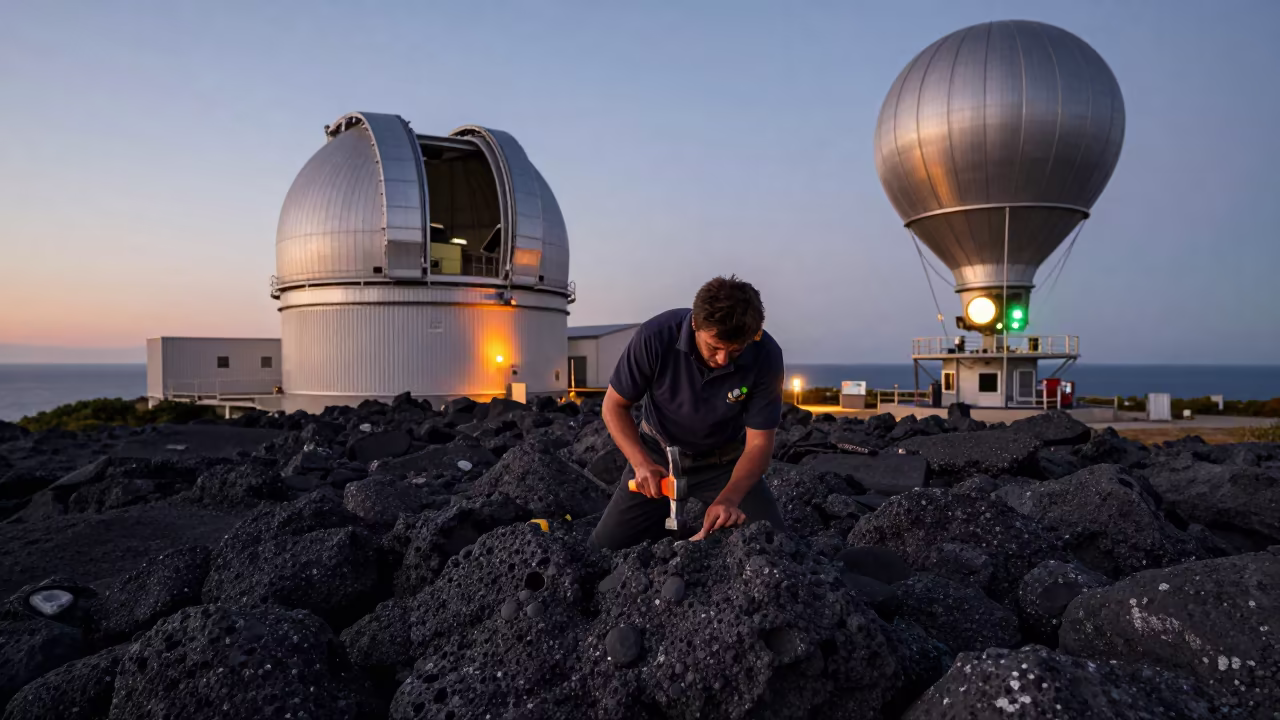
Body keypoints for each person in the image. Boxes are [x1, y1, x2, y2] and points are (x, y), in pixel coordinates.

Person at [588, 275, 787, 550]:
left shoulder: (766, 354)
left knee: (777, 547)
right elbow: (613, 406)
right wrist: (640, 463)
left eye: (735, 351)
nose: (722, 360)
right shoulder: (656, 336)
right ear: (695, 322)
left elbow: (759, 445)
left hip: (725, 464)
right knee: (602, 550)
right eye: (714, 347)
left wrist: (728, 499)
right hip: (658, 459)